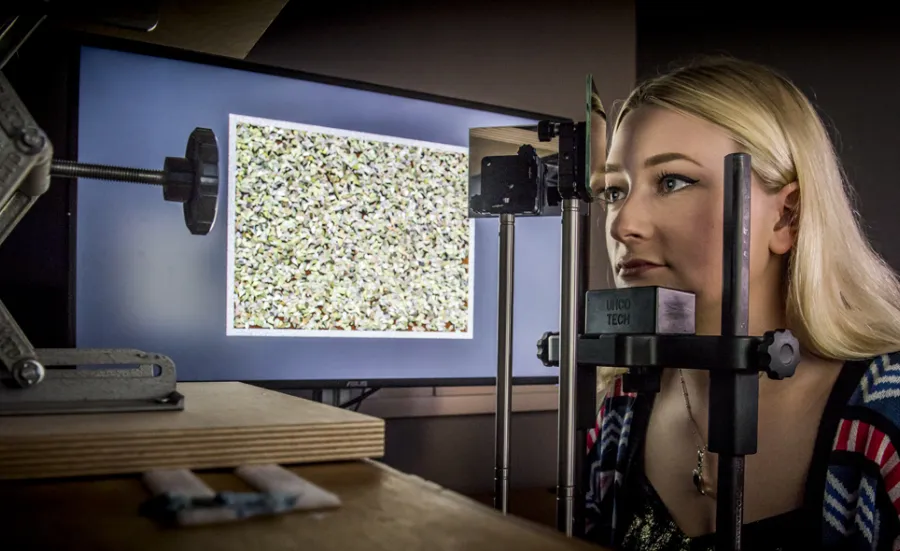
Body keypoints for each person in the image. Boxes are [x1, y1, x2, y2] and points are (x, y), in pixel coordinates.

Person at [584, 56, 900, 551]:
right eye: (615, 191)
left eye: (672, 181)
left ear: (785, 217)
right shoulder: (620, 412)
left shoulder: (885, 418)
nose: (623, 225)